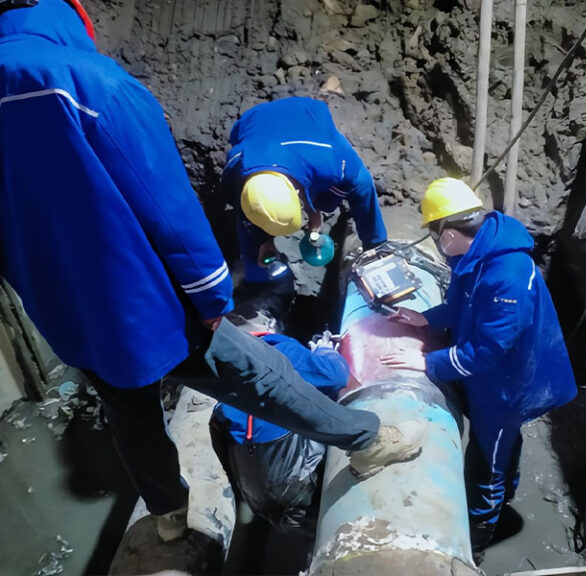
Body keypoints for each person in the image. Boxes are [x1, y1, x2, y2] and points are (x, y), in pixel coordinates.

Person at [0, 0, 419, 543]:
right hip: (145, 300)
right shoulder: (91, 83)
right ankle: (365, 442)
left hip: (60, 307)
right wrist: (217, 299)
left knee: (129, 412)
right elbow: (167, 208)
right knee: (259, 375)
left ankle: (169, 513)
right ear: (72, 17)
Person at [382, 178, 577, 557]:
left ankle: (480, 534)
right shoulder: (477, 254)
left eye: (436, 233)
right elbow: (462, 305)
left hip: (505, 385)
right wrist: (426, 319)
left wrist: (425, 362)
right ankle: (507, 487)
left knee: (486, 461)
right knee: (501, 446)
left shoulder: (507, 275)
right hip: (491, 377)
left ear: (451, 233)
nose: (438, 242)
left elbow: (488, 351)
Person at [219, 97, 388, 283]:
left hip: (308, 113)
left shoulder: (330, 158)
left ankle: (376, 247)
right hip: (251, 120)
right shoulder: (234, 173)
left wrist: (374, 245)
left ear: (297, 194)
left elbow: (361, 182)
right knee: (248, 228)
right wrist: (263, 240)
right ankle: (257, 283)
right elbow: (246, 216)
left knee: (352, 186)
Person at [209, 329, 350, 533]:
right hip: (300, 486)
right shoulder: (278, 349)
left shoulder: (222, 372)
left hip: (257, 497)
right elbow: (335, 376)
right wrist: (325, 351)